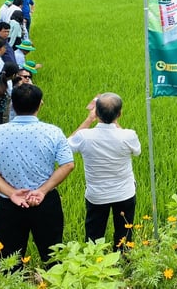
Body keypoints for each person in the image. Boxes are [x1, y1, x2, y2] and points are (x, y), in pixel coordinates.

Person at [0, 84, 74, 263]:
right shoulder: (53, 132)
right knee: (53, 257)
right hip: (45, 201)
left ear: (12, 105)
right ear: (40, 105)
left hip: (10, 204)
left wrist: (11, 192)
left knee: (11, 260)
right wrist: (43, 190)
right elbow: (67, 165)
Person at [68, 93, 141, 249]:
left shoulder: (84, 136)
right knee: (125, 234)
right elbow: (137, 152)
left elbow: (67, 146)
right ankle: (124, 260)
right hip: (124, 193)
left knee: (94, 236)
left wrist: (89, 119)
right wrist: (115, 123)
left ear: (97, 113)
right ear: (120, 114)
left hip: (97, 195)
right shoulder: (128, 135)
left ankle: (94, 262)